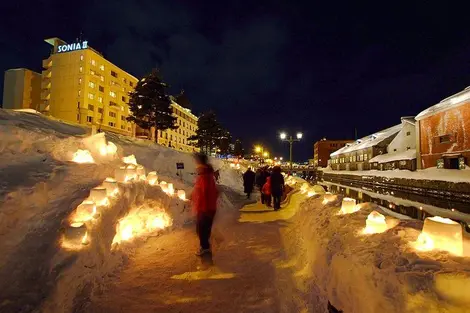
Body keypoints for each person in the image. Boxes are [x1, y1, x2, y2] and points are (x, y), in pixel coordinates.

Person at [191, 153, 218, 256]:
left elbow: (205, 192)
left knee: (201, 229)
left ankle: (205, 248)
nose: (196, 164)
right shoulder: (206, 174)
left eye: (197, 162)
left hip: (205, 208)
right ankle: (205, 246)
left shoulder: (204, 175)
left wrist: (205, 209)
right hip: (207, 207)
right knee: (203, 229)